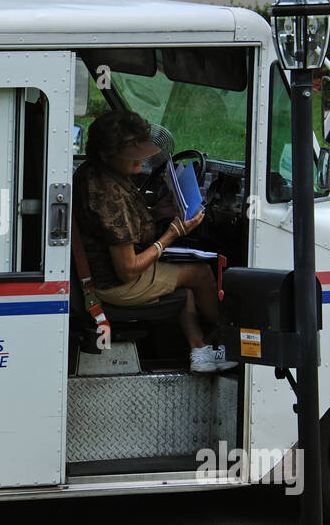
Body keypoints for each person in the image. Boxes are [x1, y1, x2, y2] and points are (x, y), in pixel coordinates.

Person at [74, 109, 234, 373]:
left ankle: (200, 351)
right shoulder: (109, 196)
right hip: (112, 284)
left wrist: (156, 213)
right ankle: (230, 341)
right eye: (131, 153)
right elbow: (127, 270)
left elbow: (116, 227)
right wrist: (171, 234)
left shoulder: (94, 173)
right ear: (106, 154)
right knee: (201, 274)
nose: (141, 158)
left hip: (98, 272)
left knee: (183, 286)